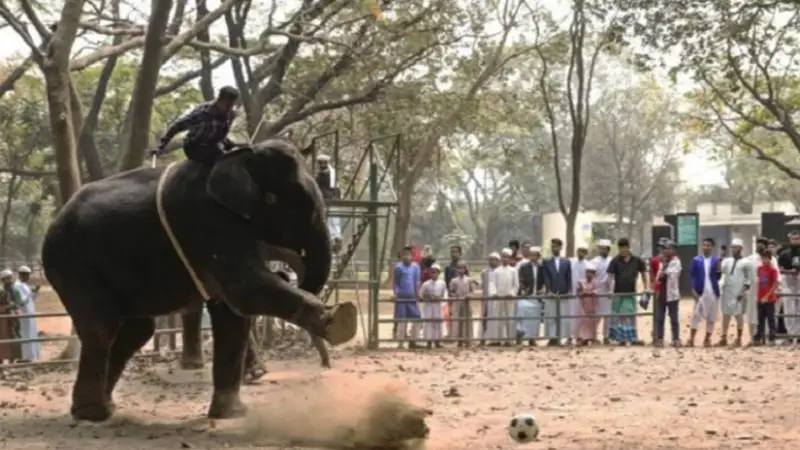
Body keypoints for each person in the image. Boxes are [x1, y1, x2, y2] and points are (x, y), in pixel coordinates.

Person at [152, 86, 240, 164]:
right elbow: (177, 126)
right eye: (228, 105)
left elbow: (220, 135)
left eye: (232, 105)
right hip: (195, 146)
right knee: (222, 159)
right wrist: (160, 146)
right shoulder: (202, 113)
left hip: (214, 144)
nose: (230, 109)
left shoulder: (230, 114)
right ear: (220, 100)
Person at [607, 238, 649, 346]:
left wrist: (646, 287)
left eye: (624, 248)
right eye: (620, 248)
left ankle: (631, 338)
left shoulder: (636, 260)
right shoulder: (615, 261)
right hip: (618, 293)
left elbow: (644, 273)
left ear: (628, 247)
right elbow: (610, 277)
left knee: (628, 314)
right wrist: (610, 290)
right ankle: (621, 339)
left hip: (630, 293)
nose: (622, 250)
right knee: (618, 316)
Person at [688, 238, 722, 347]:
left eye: (708, 245)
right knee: (696, 316)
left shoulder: (715, 260)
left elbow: (718, 276)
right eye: (704, 245)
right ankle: (691, 339)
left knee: (712, 317)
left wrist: (719, 269)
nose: (706, 247)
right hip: (700, 292)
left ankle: (707, 339)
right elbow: (692, 276)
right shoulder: (696, 260)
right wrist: (693, 289)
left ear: (712, 247)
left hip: (713, 292)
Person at [719, 238, 752, 346]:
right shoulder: (727, 261)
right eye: (732, 247)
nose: (734, 249)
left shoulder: (747, 262)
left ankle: (739, 338)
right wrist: (721, 257)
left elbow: (748, 279)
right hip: (727, 291)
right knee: (725, 315)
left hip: (739, 292)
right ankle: (723, 337)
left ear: (741, 248)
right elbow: (720, 271)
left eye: (736, 247)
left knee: (739, 315)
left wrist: (742, 291)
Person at [484, 249, 518, 345]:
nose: (505, 259)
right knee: (497, 319)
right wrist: (493, 293)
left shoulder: (513, 271)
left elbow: (516, 285)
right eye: (503, 257)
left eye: (507, 257)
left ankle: (508, 340)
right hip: (498, 298)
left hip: (509, 299)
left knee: (508, 319)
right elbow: (492, 283)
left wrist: (512, 293)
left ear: (510, 258)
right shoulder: (496, 271)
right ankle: (496, 340)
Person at [541, 238, 572, 345]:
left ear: (561, 247)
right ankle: (552, 338)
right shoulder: (546, 261)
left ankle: (561, 337)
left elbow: (568, 277)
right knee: (551, 316)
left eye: (557, 246)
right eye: (553, 246)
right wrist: (549, 290)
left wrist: (568, 291)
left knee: (562, 316)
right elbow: (546, 277)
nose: (555, 248)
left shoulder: (567, 262)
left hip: (563, 293)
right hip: (551, 293)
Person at [654, 241, 682, 347]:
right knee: (660, 318)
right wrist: (662, 273)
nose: (666, 250)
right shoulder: (663, 262)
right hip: (662, 293)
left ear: (674, 250)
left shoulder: (676, 262)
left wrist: (664, 273)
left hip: (672, 295)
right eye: (665, 248)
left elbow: (672, 274)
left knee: (674, 318)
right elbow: (658, 277)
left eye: (669, 248)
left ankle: (675, 339)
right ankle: (660, 339)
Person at [393, 246, 421, 348]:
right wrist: (396, 293)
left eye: (408, 255)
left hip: (412, 296)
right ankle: (400, 343)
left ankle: (413, 341)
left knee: (417, 318)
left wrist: (418, 294)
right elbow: (395, 282)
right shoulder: (398, 267)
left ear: (412, 256)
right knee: (402, 319)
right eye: (404, 255)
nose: (406, 257)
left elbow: (417, 281)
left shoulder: (415, 267)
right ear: (401, 256)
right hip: (401, 297)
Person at [516, 246, 544, 345]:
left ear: (538, 256)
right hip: (526, 296)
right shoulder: (523, 267)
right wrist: (523, 289)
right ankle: (520, 337)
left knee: (535, 319)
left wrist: (543, 290)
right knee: (524, 317)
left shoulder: (542, 267)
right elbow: (520, 280)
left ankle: (532, 339)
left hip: (537, 297)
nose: (532, 257)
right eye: (531, 255)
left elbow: (544, 281)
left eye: (535, 255)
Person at [778, 230, 800, 343]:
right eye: (793, 239)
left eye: (797, 239)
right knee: (789, 308)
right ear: (790, 240)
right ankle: (791, 335)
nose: (795, 241)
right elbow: (780, 269)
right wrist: (789, 271)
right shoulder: (784, 254)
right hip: (788, 281)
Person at [754, 250, 779, 345]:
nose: (764, 260)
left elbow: (774, 284)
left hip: (769, 298)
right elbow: (759, 280)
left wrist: (767, 296)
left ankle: (772, 337)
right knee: (760, 319)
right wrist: (761, 297)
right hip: (760, 297)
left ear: (770, 258)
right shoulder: (759, 268)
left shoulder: (773, 270)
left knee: (770, 318)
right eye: (762, 258)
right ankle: (759, 337)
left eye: (766, 258)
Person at [419, 264, 447, 348]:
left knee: (438, 323)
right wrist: (428, 297)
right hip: (428, 306)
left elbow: (444, 295)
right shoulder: (426, 284)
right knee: (428, 323)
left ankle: (437, 342)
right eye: (432, 272)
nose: (433, 274)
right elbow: (420, 295)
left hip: (437, 306)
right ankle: (429, 342)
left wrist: (439, 298)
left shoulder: (442, 283)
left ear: (438, 273)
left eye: (435, 272)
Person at [591, 239, 614, 344]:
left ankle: (606, 336)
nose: (602, 250)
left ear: (608, 250)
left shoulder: (612, 260)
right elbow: (590, 276)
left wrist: (612, 289)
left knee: (608, 316)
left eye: (604, 249)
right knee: (596, 316)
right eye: (601, 248)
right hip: (597, 291)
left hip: (608, 292)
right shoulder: (594, 261)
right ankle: (594, 336)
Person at [315, 154, 341, 242]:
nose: (322, 165)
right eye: (320, 163)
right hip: (326, 198)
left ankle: (335, 237)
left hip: (329, 198)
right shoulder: (326, 174)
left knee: (332, 218)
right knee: (329, 219)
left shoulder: (327, 174)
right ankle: (334, 237)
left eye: (323, 163)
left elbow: (336, 187)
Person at [16, 265, 40, 361]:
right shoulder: (17, 286)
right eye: (27, 275)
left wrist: (35, 292)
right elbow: (22, 301)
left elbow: (31, 299)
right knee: (26, 334)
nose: (28, 278)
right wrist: (30, 293)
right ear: (22, 275)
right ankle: (25, 356)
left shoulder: (25, 286)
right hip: (24, 313)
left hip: (30, 312)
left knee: (32, 333)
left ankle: (31, 355)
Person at [448, 261, 473, 347]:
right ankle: (459, 340)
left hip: (466, 302)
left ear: (465, 269)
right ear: (456, 269)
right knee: (458, 320)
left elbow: (472, 291)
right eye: (459, 268)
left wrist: (469, 296)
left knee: (467, 320)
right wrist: (456, 295)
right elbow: (450, 292)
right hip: (457, 302)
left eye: (462, 268)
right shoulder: (453, 280)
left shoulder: (468, 279)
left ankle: (467, 339)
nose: (461, 270)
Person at [568, 247, 589, 345]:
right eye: (579, 251)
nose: (581, 253)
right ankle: (570, 336)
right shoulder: (571, 262)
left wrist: (584, 288)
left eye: (583, 252)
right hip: (571, 293)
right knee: (571, 315)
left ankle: (581, 337)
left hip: (583, 294)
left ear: (586, 253)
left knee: (582, 316)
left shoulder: (588, 264)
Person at [444, 245, 467, 338]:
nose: (453, 254)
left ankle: (463, 334)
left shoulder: (464, 267)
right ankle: (452, 334)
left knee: (463, 314)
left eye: (456, 252)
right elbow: (447, 283)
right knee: (452, 314)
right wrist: (450, 295)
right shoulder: (448, 268)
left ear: (460, 253)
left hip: (463, 295)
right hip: (453, 295)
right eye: (452, 252)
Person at [480, 252, 501, 345]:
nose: (492, 261)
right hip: (487, 299)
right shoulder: (484, 272)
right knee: (485, 318)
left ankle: (496, 339)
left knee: (497, 319)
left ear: (498, 261)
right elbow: (482, 285)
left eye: (494, 259)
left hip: (497, 300)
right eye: (490, 259)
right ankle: (483, 339)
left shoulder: (500, 271)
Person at [575, 263, 599, 346]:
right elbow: (577, 292)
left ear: (594, 274)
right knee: (583, 321)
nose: (589, 274)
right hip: (583, 305)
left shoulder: (596, 282)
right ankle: (581, 338)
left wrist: (592, 293)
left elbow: (597, 291)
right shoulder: (581, 282)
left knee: (591, 322)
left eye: (591, 272)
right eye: (588, 272)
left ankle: (591, 338)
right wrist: (582, 293)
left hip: (592, 305)